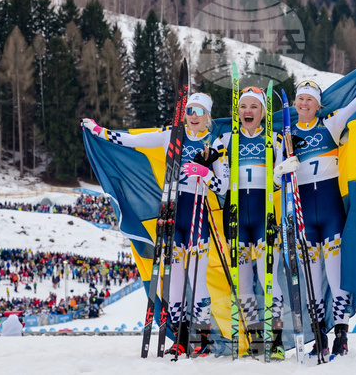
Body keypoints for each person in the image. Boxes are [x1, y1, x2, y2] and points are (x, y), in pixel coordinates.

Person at [84, 93, 228, 357]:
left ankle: (202, 338)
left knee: (198, 282)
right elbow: (132, 140)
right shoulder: (170, 136)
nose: (193, 116)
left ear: (208, 116)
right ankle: (181, 337)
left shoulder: (214, 143)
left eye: (199, 111)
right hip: (172, 214)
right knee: (173, 282)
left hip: (197, 217)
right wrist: (99, 131)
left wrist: (204, 173)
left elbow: (223, 186)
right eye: (189, 110)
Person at [272, 49, 356, 358]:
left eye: (310, 100)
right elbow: (274, 179)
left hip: (330, 211)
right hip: (304, 217)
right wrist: (281, 170)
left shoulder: (331, 124)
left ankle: (341, 333)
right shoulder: (284, 135)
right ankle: (318, 335)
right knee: (312, 279)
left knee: (336, 276)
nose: (304, 104)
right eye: (300, 99)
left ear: (317, 105)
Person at [213, 86, 285, 360]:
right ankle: (255, 339)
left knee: (269, 280)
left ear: (263, 112)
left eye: (254, 106)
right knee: (243, 284)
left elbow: (280, 181)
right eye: (244, 106)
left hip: (265, 218)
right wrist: (203, 171)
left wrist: (280, 172)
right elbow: (218, 184)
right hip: (237, 220)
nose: (248, 111)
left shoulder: (274, 140)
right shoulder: (226, 140)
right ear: (238, 111)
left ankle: (275, 340)